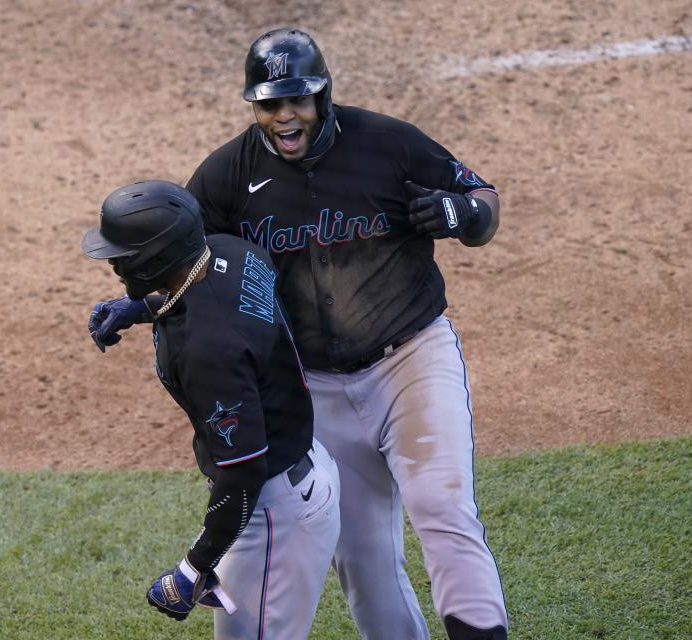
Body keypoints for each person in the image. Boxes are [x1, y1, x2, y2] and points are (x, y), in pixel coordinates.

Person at [89, 28, 508, 640]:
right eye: (268, 103)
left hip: (410, 359)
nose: (285, 115)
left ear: (323, 95)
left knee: (443, 509)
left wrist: (463, 214)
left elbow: (483, 198)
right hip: (315, 386)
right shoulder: (229, 174)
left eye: (297, 100)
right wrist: (144, 305)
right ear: (253, 106)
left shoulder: (388, 144)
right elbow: (184, 258)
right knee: (363, 560)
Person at [82, 179, 341, 640]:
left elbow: (243, 474)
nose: (114, 265)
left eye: (122, 256)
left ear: (153, 259)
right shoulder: (230, 253)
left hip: (273, 512)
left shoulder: (208, 352)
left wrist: (192, 568)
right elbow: (214, 300)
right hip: (300, 468)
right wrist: (141, 307)